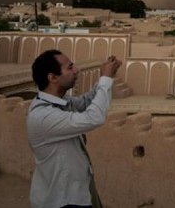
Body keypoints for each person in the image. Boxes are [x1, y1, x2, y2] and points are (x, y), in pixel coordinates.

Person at [28, 50, 122, 208]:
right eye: (70, 67)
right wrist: (105, 79)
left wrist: (105, 77)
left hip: (76, 192)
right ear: (52, 78)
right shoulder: (43, 116)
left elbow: (84, 102)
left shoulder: (60, 101)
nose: (76, 70)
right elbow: (94, 118)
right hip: (62, 200)